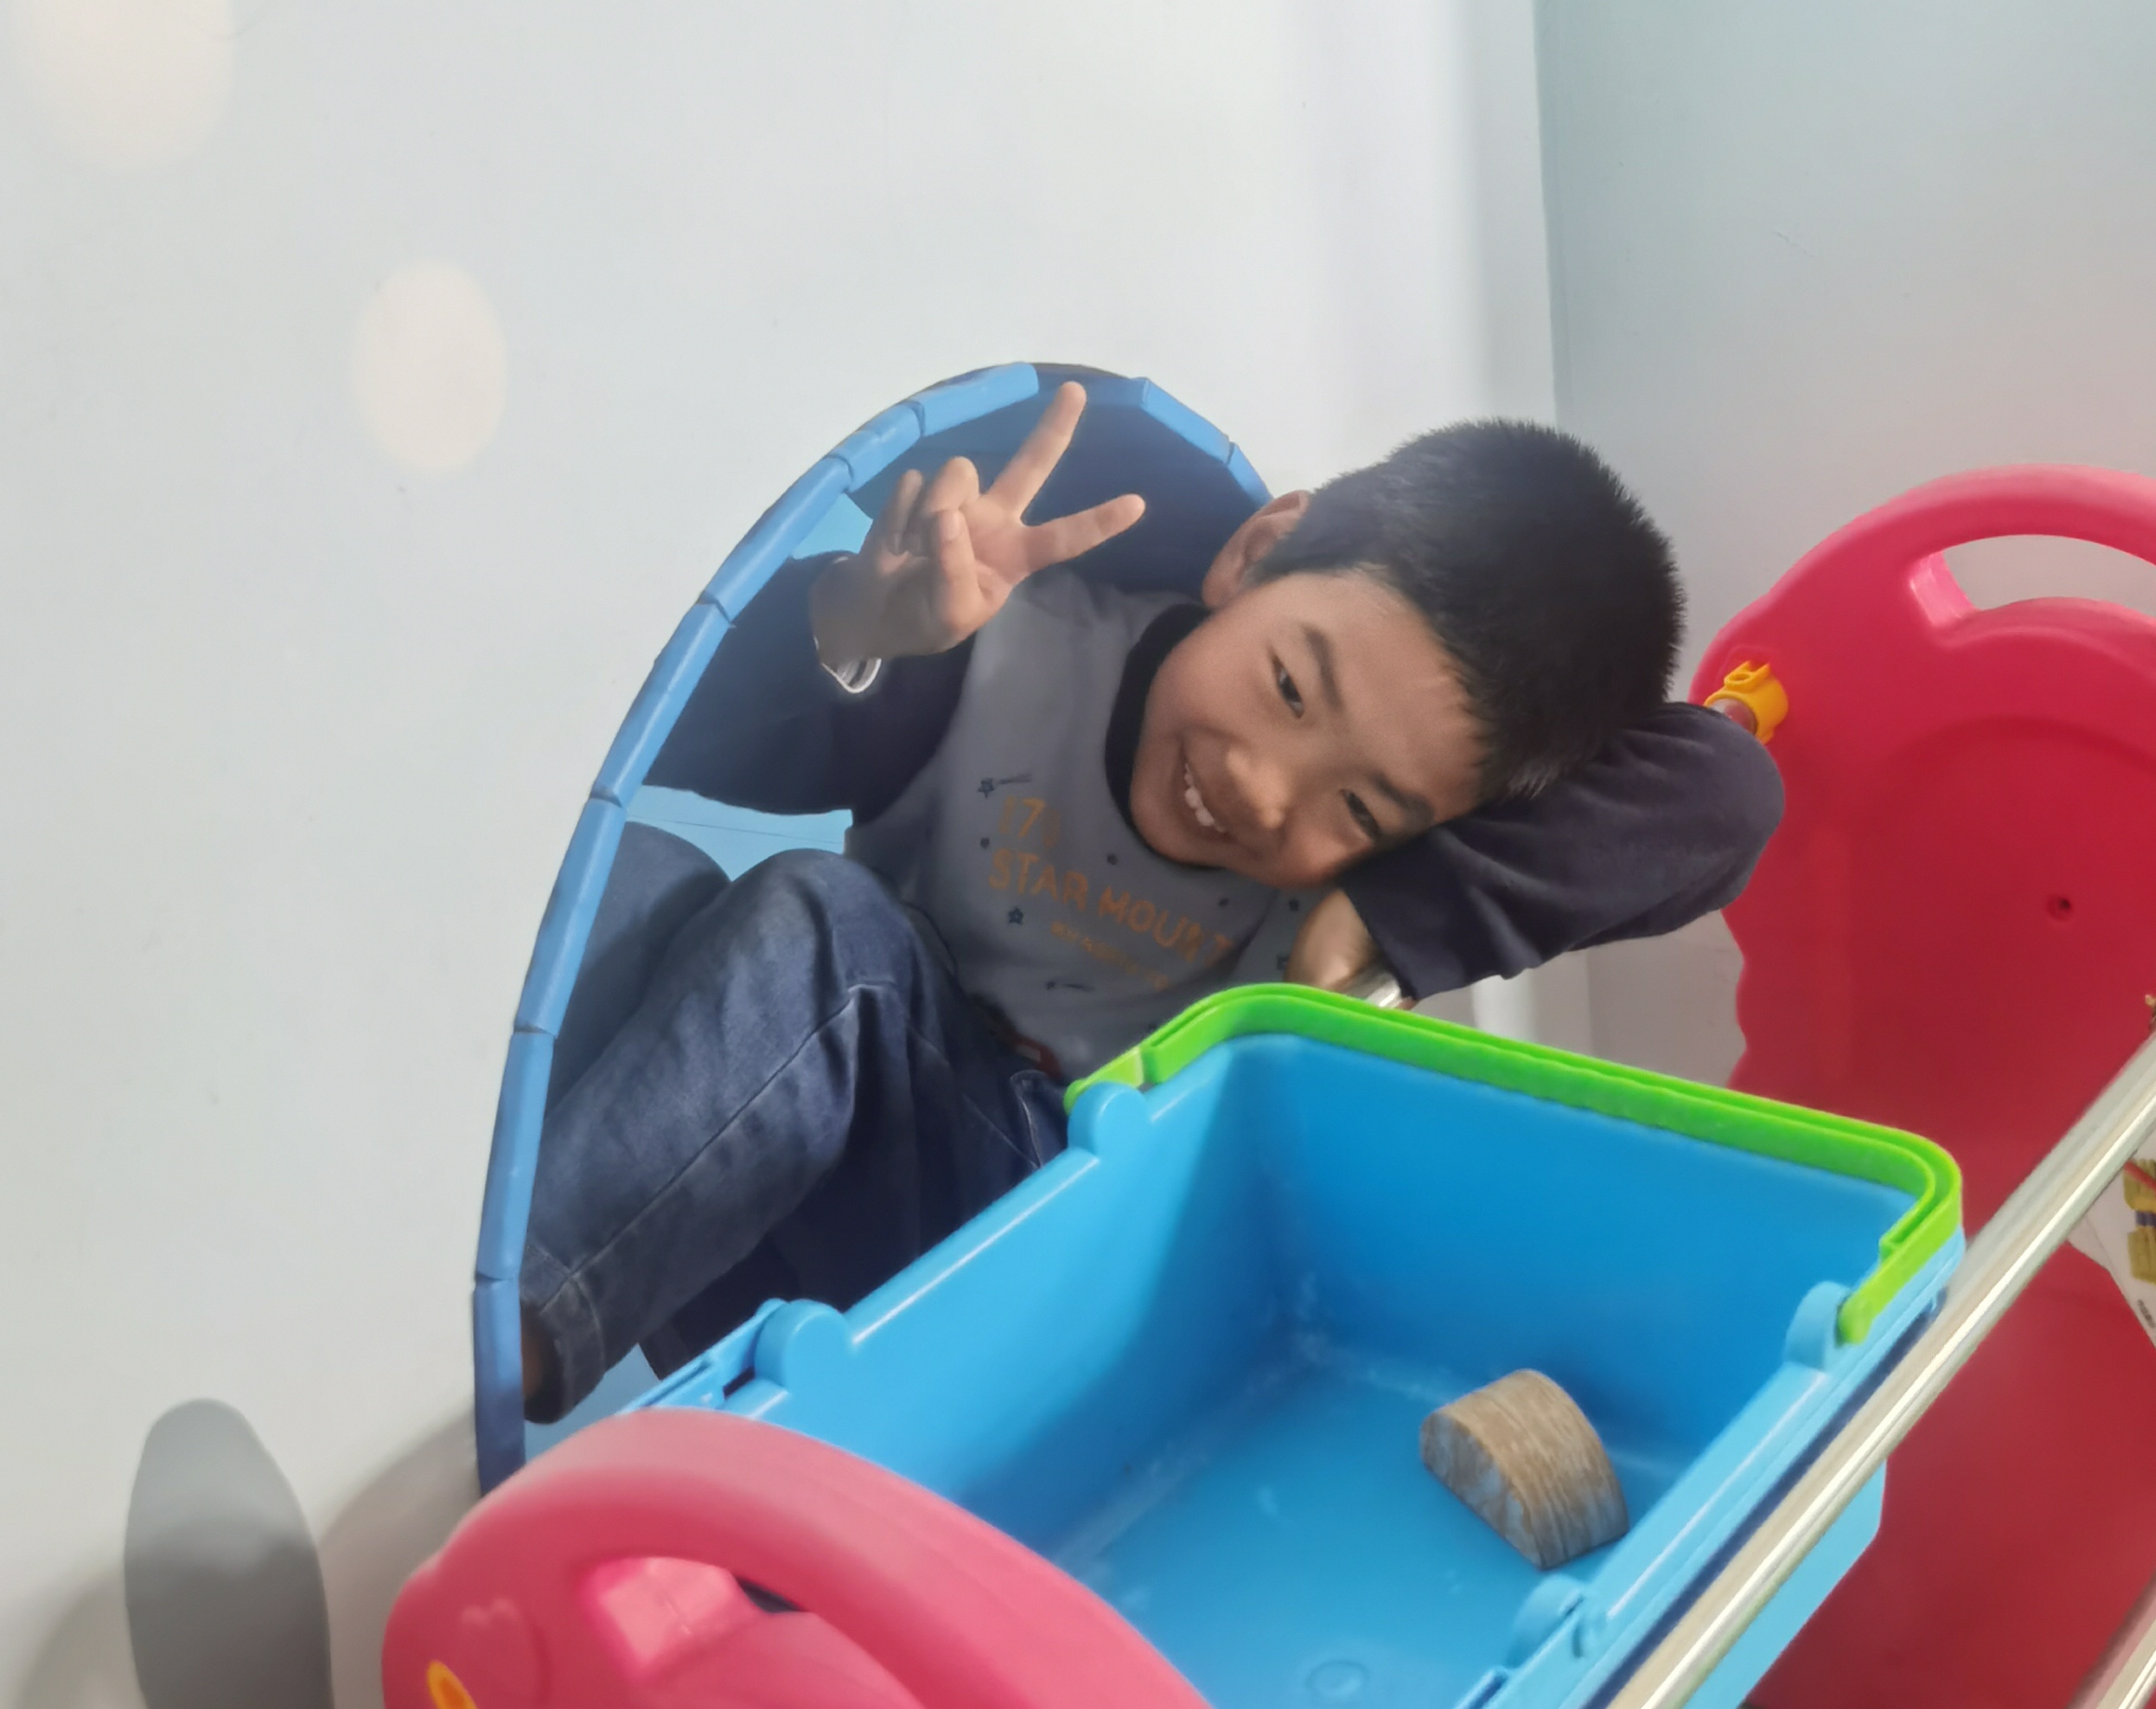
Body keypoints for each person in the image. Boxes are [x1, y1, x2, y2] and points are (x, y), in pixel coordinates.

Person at [518, 383, 1781, 1421]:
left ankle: (516, 1330)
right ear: (1256, 553)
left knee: (834, 935)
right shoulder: (1016, 649)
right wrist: (855, 621)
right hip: (765, 1198)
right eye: (1291, 689)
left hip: (1039, 1264)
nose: (1266, 790)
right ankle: (538, 1298)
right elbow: (661, 736)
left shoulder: (1376, 893)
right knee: (635, 883)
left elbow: (1726, 794)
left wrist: (1406, 914)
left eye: (1358, 807)